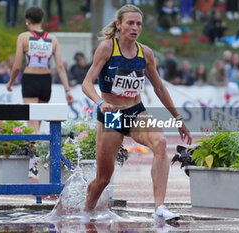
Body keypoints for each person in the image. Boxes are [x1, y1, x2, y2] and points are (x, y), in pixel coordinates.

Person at [81, 4, 192, 221]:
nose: (135, 28)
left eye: (138, 24)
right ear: (119, 25)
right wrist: (100, 102)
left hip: (135, 111)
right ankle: (86, 211)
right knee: (103, 179)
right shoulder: (106, 48)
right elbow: (86, 83)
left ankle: (160, 207)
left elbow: (159, 88)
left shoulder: (146, 53)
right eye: (130, 23)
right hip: (112, 114)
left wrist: (178, 119)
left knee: (160, 143)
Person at [6, 6, 73, 134]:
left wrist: (10, 83)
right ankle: (37, 150)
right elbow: (60, 67)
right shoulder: (53, 39)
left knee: (32, 123)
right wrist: (67, 90)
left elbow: (16, 67)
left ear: (28, 21)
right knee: (37, 123)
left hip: (30, 79)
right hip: (45, 81)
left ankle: (33, 151)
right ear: (42, 20)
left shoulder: (23, 37)